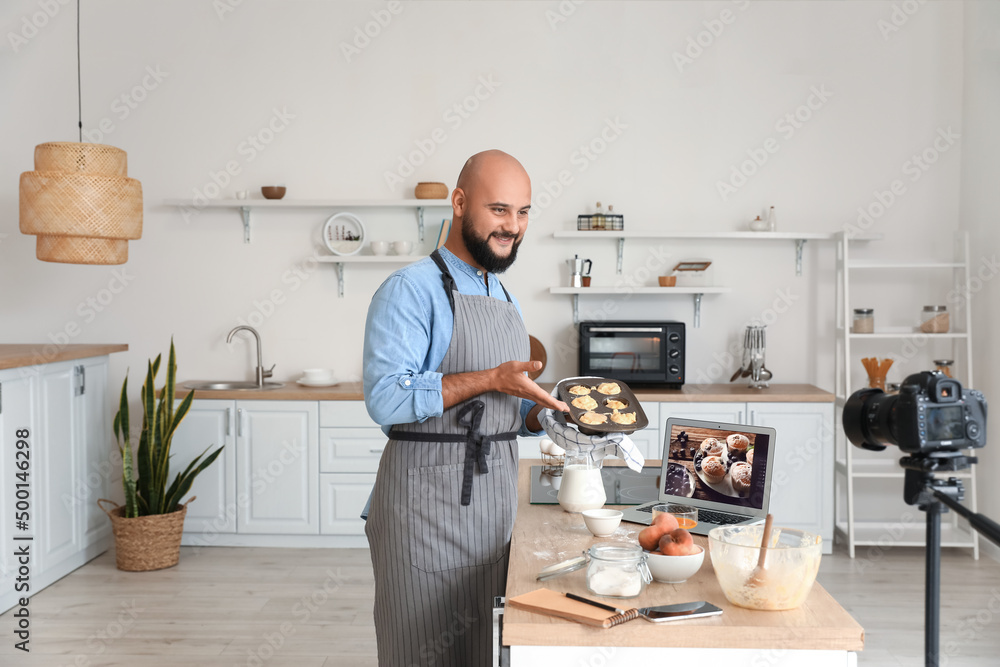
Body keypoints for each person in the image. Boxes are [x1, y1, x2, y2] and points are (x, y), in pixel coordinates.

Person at [362, 150, 568, 666]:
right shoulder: (410, 290)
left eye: (523, 213)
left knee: (484, 649)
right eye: (499, 210)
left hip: (492, 507)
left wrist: (549, 413)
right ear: (459, 203)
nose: (513, 226)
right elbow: (385, 397)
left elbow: (500, 407)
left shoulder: (503, 296)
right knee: (423, 648)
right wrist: (490, 378)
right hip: (425, 511)